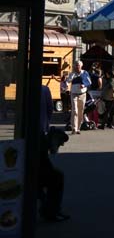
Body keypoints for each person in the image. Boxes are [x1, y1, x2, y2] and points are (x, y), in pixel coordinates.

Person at [39, 84, 69, 222]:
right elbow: (50, 110)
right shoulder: (44, 89)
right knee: (56, 177)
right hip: (40, 135)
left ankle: (48, 207)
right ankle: (51, 211)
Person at [67, 60, 91, 134]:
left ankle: (78, 128)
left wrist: (84, 85)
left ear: (81, 66)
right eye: (76, 65)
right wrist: (72, 77)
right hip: (74, 94)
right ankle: (74, 128)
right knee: (75, 111)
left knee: (81, 112)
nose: (77, 67)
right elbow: (68, 81)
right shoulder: (72, 74)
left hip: (82, 94)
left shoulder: (85, 73)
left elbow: (89, 82)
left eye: (78, 65)